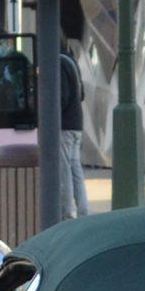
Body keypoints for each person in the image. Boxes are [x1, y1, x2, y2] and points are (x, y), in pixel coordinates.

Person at [57, 51, 89, 220]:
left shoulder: (59, 63)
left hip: (65, 125)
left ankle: (67, 214)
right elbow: (81, 94)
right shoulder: (71, 61)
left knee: (65, 171)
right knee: (75, 169)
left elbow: (60, 97)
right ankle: (84, 212)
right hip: (77, 123)